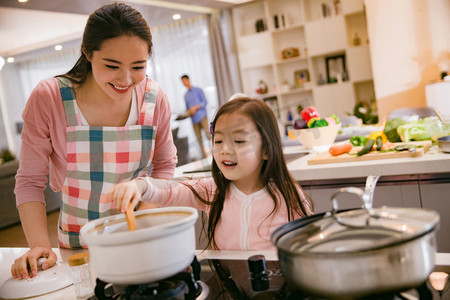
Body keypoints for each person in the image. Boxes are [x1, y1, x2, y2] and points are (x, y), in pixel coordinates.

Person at [11, 2, 177, 279]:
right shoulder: (50, 98)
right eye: (111, 65)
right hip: (79, 249)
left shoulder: (154, 98)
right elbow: (29, 182)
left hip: (141, 240)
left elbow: (164, 168)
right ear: (87, 52)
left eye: (138, 66)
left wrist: (142, 223)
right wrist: (39, 246)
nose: (126, 79)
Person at [109, 97, 313, 251]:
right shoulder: (211, 190)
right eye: (218, 141)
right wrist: (140, 186)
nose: (225, 150)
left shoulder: (287, 194)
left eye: (239, 141)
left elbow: (310, 249)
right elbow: (170, 191)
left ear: (266, 150)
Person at [181, 74, 211, 158]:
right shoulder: (185, 95)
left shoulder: (198, 90)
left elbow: (205, 102)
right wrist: (189, 112)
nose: (184, 83)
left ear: (188, 80)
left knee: (208, 135)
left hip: (202, 116)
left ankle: (215, 152)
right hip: (193, 119)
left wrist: (195, 107)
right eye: (182, 82)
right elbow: (187, 108)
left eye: (185, 81)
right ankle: (204, 157)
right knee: (199, 139)